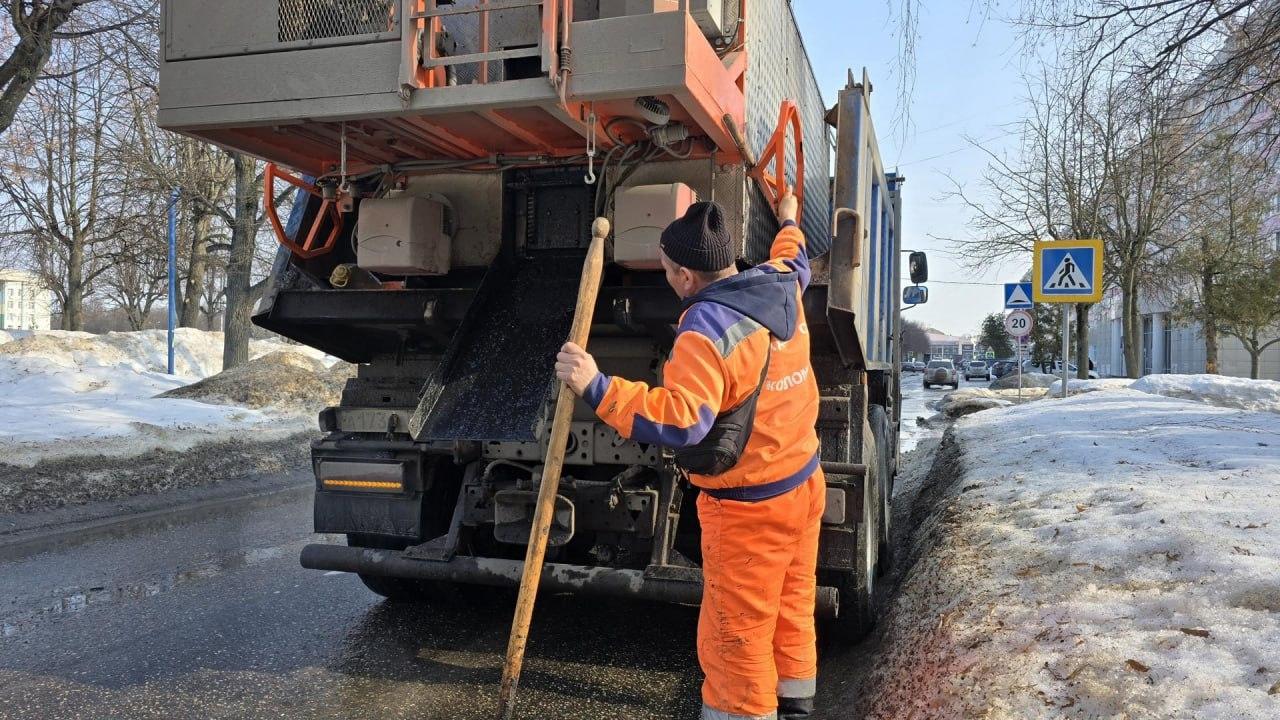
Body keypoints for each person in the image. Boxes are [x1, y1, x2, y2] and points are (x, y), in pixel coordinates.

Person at [555, 192, 824, 720]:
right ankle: (796, 700)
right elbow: (794, 253)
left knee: (736, 636)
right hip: (803, 484)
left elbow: (682, 420)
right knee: (792, 601)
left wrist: (596, 386)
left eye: (665, 268)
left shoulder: (706, 331)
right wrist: (789, 216)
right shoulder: (781, 283)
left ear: (684, 276)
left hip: (749, 511)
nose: (666, 276)